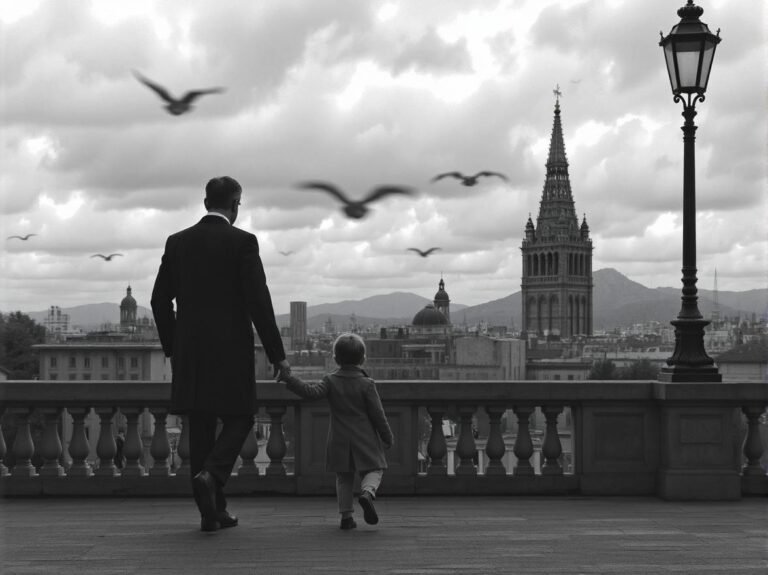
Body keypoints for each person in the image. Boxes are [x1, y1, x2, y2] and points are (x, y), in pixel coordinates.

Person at [151, 175, 290, 532]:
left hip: (191, 354)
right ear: (235, 204)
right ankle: (212, 476)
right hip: (231, 351)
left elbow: (159, 300)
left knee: (200, 429)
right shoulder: (243, 242)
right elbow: (259, 303)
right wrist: (277, 354)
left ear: (205, 203)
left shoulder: (177, 242)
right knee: (241, 417)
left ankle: (210, 514)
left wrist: (173, 346)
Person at [279, 333, 393, 530]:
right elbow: (378, 414)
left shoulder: (330, 380)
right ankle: (367, 492)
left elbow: (310, 393)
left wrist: (290, 379)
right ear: (363, 358)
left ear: (336, 358)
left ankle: (346, 517)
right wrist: (387, 436)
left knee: (344, 477)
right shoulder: (367, 384)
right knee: (375, 468)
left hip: (339, 438)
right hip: (364, 437)